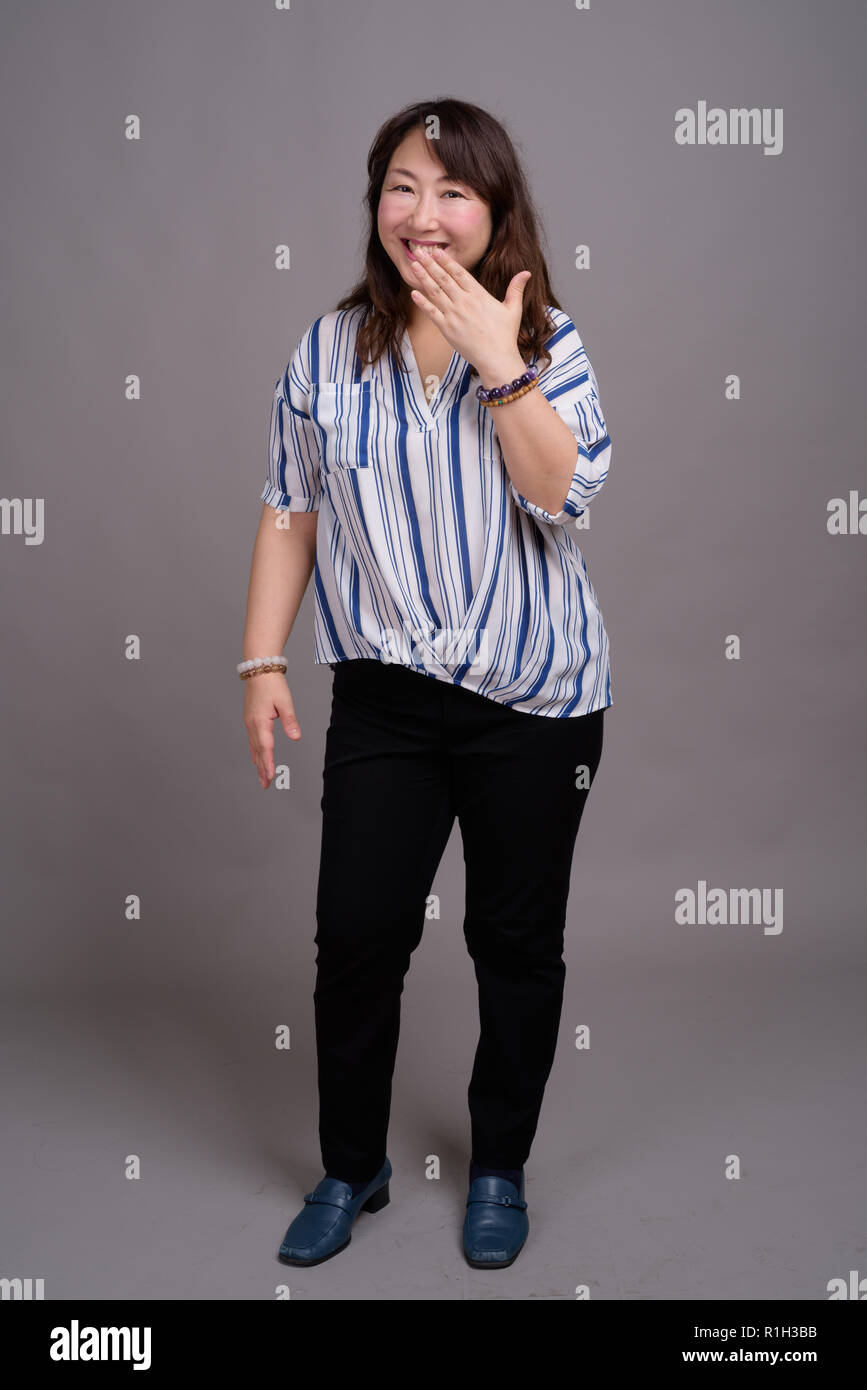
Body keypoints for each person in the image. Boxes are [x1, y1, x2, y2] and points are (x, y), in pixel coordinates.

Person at [241, 97, 613, 1271]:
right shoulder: (326, 349)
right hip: (388, 698)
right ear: (377, 203)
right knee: (353, 936)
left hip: (535, 700)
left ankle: (498, 1164)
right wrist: (260, 659)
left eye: (453, 190)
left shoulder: (551, 339)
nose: (425, 213)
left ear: (495, 211)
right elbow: (289, 507)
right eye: (403, 185)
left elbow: (566, 497)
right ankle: (353, 1165)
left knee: (514, 941)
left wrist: (504, 368)